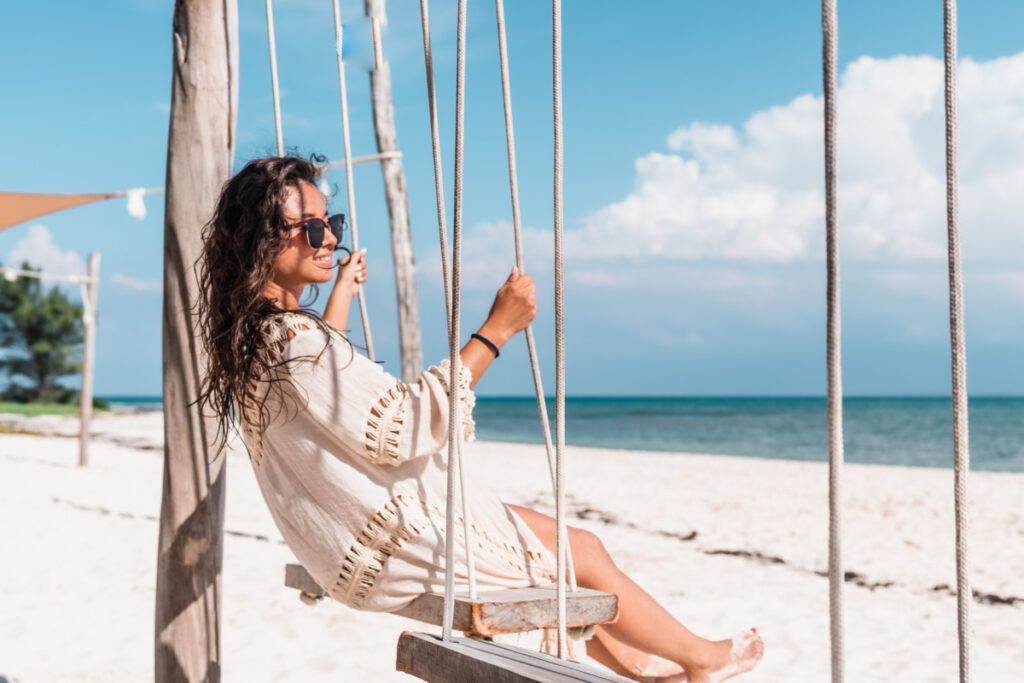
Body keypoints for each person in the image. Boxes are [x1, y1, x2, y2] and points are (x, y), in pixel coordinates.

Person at [197, 155, 764, 683]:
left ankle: (644, 670)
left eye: (332, 221)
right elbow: (399, 424)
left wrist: (340, 292)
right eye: (313, 227)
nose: (331, 238)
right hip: (388, 543)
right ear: (264, 240)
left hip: (348, 546)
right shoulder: (294, 342)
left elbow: (327, 394)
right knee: (581, 553)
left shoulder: (261, 337)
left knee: (560, 556)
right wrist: (497, 329)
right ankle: (702, 659)